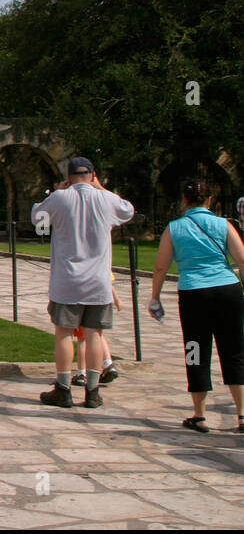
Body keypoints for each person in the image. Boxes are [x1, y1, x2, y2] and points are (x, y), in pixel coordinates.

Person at [32, 157, 134, 409]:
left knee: (64, 333)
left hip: (67, 278)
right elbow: (127, 210)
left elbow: (38, 218)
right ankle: (92, 390)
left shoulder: (60, 197)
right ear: (93, 174)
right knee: (94, 335)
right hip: (98, 280)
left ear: (68, 176)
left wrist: (58, 192)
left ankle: (64, 388)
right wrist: (100, 189)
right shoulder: (106, 199)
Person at [150, 178, 244, 433]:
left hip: (194, 293)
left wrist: (155, 297)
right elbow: (242, 259)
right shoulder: (223, 224)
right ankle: (242, 413)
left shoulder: (174, 228)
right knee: (234, 350)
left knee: (195, 349)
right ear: (210, 200)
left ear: (183, 199)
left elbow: (161, 266)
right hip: (227, 290)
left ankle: (199, 414)